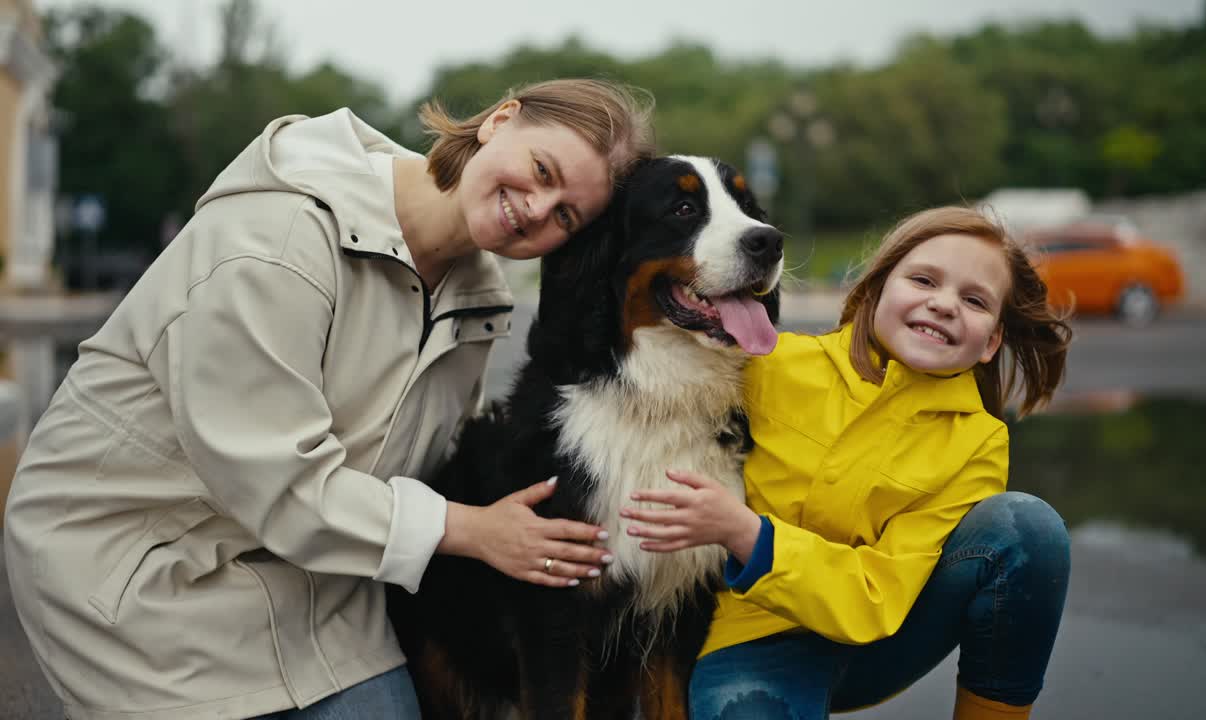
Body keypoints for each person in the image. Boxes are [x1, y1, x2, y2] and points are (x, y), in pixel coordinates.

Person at [3, 78, 654, 720]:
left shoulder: (478, 295)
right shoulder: (275, 240)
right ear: (500, 120)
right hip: (145, 567)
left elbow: (422, 466)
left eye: (566, 214)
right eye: (542, 169)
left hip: (318, 581)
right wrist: (475, 531)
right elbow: (277, 484)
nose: (538, 207)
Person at [622, 206, 1074, 719]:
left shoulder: (977, 440)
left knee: (1027, 529)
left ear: (992, 340)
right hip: (746, 641)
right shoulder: (771, 364)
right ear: (874, 291)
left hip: (876, 641)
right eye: (924, 279)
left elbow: (879, 598)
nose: (944, 304)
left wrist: (747, 535)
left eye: (974, 300)